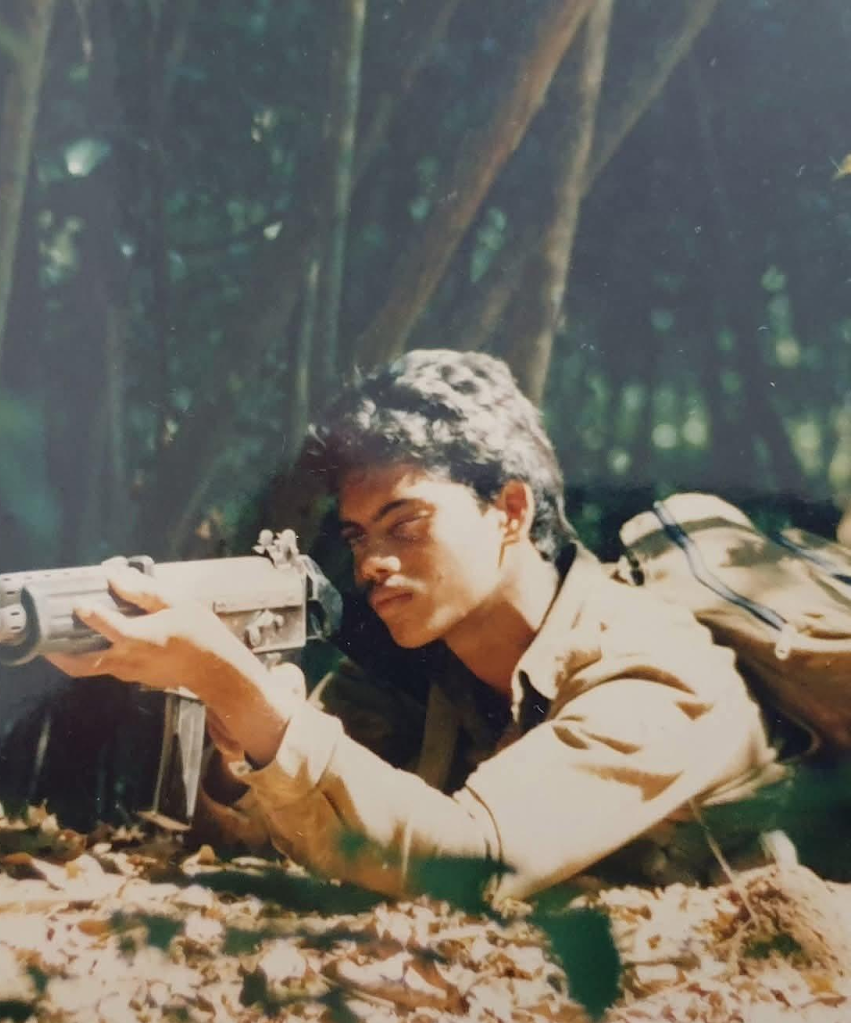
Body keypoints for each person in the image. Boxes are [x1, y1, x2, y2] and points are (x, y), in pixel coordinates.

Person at [48, 350, 786, 900]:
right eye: (360, 535)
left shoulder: (651, 668)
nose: (372, 563)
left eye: (406, 525)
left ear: (511, 511)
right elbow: (268, 848)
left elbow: (470, 866)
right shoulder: (422, 666)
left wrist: (240, 688)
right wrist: (236, 735)